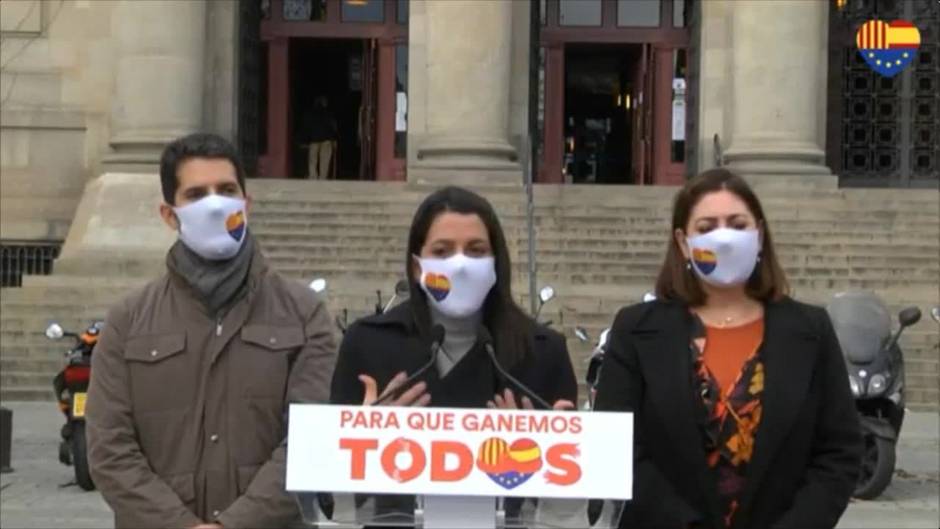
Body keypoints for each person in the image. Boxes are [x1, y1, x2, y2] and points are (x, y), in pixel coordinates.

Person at [86, 132, 337, 529]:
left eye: (226, 190)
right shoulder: (128, 320)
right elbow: (109, 449)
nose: (215, 204)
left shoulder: (304, 314)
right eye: (197, 194)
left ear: (246, 203)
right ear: (169, 215)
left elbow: (311, 443)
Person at [593, 168, 861, 529]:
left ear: (760, 235)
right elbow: (619, 449)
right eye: (706, 227)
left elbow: (839, 453)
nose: (724, 238)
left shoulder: (810, 331)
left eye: (737, 224)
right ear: (683, 242)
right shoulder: (636, 329)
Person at [329, 186, 578, 519]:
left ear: (495, 262)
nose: (460, 265)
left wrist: (547, 447)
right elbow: (331, 489)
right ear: (417, 266)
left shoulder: (543, 353)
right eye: (442, 252)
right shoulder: (368, 344)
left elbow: (567, 506)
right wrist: (361, 433)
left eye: (476, 251)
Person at [301, 96, 338, 180]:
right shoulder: (329, 113)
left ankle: (313, 178)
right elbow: (333, 127)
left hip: (314, 140)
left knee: (312, 162)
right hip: (326, 140)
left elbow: (306, 128)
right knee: (324, 162)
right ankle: (322, 179)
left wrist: (305, 141)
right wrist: (335, 140)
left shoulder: (310, 114)